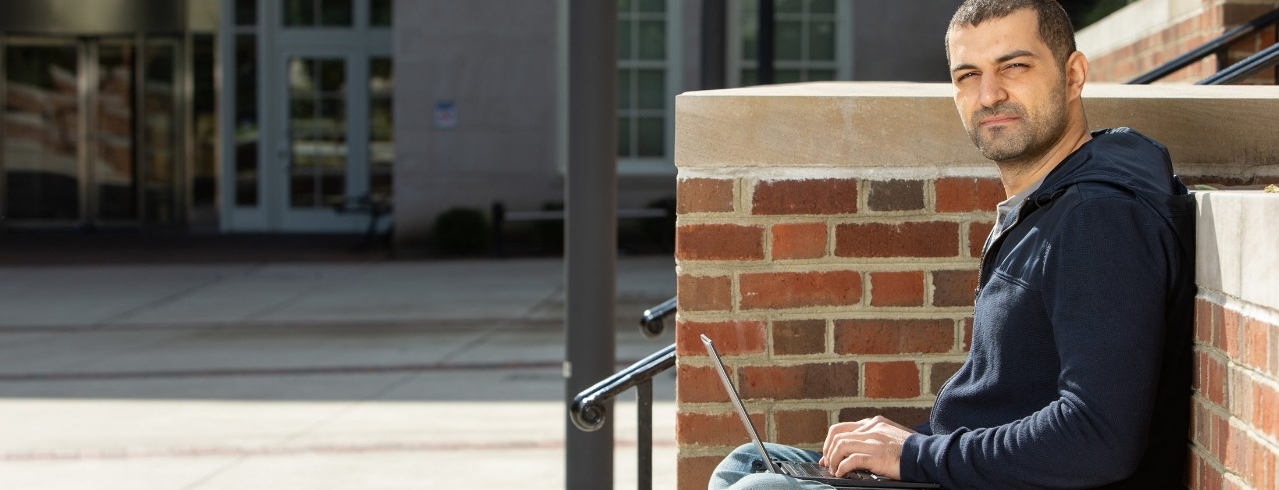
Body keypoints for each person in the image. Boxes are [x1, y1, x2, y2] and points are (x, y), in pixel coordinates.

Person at [708, 0, 1196, 488]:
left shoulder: (1100, 215)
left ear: (1073, 75)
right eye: (967, 75)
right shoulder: (1047, 202)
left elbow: (1098, 437)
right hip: (968, 469)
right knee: (748, 463)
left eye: (1015, 66)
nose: (989, 94)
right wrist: (912, 448)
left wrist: (917, 454)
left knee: (761, 487)